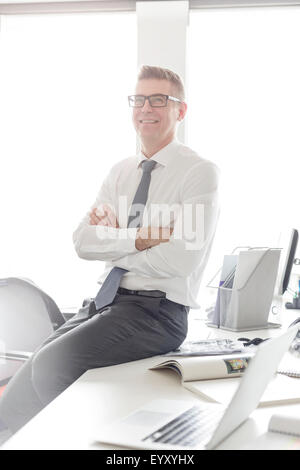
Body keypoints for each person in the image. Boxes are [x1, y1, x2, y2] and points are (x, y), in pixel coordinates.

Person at [0, 65, 220, 436]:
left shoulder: (198, 172)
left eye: (158, 100)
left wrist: (114, 240)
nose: (146, 108)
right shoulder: (120, 171)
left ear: (180, 111)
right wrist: (143, 237)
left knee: (53, 365)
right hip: (105, 302)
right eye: (138, 99)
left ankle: (90, 443)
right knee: (14, 400)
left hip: (157, 312)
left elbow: (181, 260)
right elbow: (83, 242)